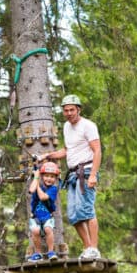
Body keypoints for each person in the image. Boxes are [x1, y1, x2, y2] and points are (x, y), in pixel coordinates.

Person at [40, 94, 102, 259]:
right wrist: (48, 155)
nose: (68, 113)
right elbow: (67, 150)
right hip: (73, 175)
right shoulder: (67, 127)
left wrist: (93, 175)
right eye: (66, 110)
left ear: (78, 110)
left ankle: (94, 249)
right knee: (74, 215)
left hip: (87, 171)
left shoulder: (88, 126)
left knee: (87, 211)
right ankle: (87, 248)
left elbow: (97, 150)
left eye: (72, 110)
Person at [28, 161, 61, 262]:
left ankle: (51, 252)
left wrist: (37, 184)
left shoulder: (53, 189)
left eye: (52, 177)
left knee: (47, 229)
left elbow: (43, 197)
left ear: (55, 178)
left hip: (47, 216)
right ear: (42, 176)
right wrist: (36, 177)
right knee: (35, 231)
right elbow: (31, 190)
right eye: (46, 176)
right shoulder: (38, 182)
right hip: (36, 216)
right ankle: (38, 253)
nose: (49, 179)